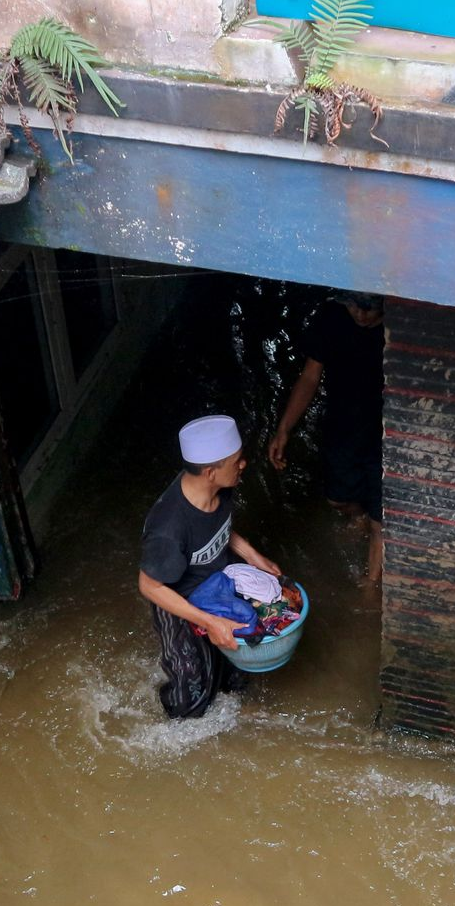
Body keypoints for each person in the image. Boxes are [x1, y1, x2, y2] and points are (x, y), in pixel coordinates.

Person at [138, 415, 284, 719]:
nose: (243, 464)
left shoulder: (221, 486)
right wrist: (208, 621)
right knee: (190, 692)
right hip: (180, 600)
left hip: (219, 581)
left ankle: (236, 711)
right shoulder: (168, 527)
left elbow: (218, 527)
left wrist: (252, 555)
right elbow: (149, 586)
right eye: (236, 461)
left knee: (235, 664)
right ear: (210, 472)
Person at [270, 292, 385, 583]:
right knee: (338, 499)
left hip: (385, 433)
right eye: (354, 306)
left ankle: (370, 586)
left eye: (369, 309)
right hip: (343, 425)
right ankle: (358, 515)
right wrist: (284, 429)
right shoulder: (331, 317)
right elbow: (310, 377)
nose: (360, 315)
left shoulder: (397, 328)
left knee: (380, 521)